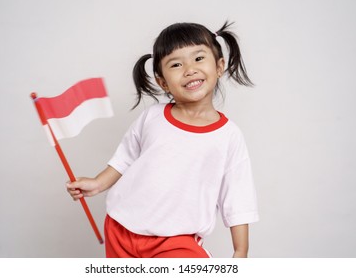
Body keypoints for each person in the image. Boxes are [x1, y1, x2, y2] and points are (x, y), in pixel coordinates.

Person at [67, 20, 259, 258]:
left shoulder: (229, 137)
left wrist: (241, 251)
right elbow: (126, 156)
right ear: (162, 81)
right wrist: (97, 183)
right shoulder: (152, 116)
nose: (189, 69)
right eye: (176, 64)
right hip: (121, 227)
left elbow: (237, 196)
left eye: (199, 58)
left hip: (176, 242)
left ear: (219, 66)